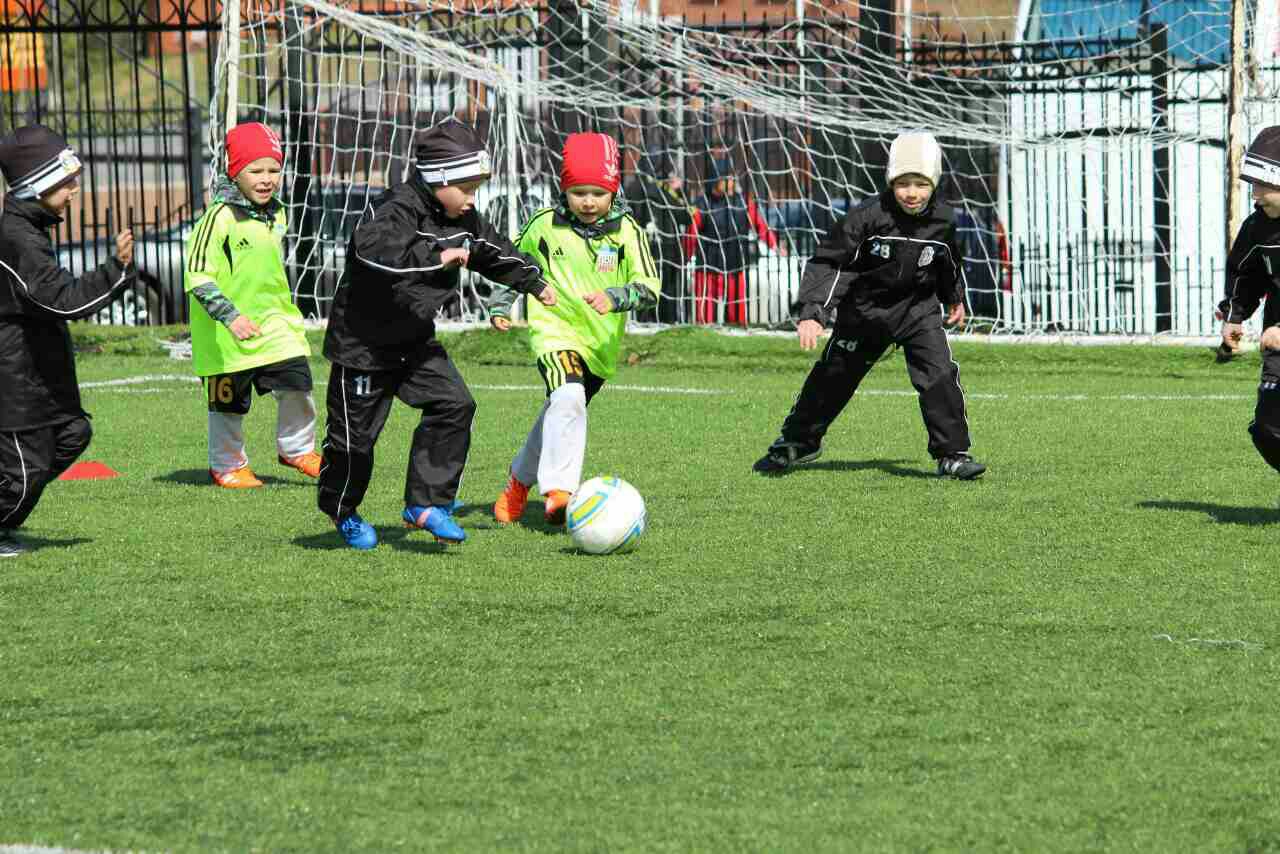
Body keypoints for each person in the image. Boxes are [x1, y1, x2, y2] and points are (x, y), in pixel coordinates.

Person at [318, 117, 556, 550]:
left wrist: (533, 282)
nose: (471, 199)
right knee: (353, 444)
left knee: (455, 405)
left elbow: (492, 250)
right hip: (362, 347)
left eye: (476, 189)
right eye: (466, 188)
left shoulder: (463, 216)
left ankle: (425, 504)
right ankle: (343, 511)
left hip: (413, 342)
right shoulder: (394, 209)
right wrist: (437, 255)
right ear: (439, 178)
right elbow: (375, 253)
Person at [752, 130, 986, 480]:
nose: (911, 192)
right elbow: (831, 263)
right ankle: (799, 442)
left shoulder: (944, 220)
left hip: (917, 311)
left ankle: (952, 455)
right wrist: (814, 312)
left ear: (934, 183)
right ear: (890, 181)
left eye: (920, 184)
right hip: (865, 313)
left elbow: (948, 261)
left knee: (939, 375)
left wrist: (954, 297)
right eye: (903, 183)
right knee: (833, 377)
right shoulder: (866, 217)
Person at [488, 132, 659, 526]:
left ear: (613, 191)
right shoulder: (544, 225)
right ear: (564, 189)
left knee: (561, 409)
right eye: (578, 192)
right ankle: (560, 492)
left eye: (598, 193)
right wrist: (500, 303)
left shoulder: (627, 231)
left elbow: (650, 288)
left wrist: (615, 297)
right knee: (567, 397)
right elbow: (513, 264)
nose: (588, 202)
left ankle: (518, 482)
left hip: (599, 345)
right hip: (554, 330)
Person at [0, 124, 135, 557]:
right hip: (14, 376)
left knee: (72, 432)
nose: (75, 189)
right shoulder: (18, 238)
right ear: (37, 184)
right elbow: (60, 301)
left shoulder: (29, 228)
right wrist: (114, 271)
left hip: (38, 370)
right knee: (24, 470)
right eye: (66, 181)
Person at [185, 122, 321, 490]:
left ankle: (298, 449)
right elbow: (197, 276)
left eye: (273, 170)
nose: (266, 179)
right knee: (228, 404)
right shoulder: (218, 218)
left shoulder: (278, 214)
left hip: (274, 324)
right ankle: (228, 465)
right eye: (255, 171)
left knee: (298, 382)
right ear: (235, 172)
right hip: (225, 337)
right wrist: (231, 317)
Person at [1218, 126, 1280, 478]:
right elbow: (1245, 273)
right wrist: (1234, 316)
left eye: (1261, 185)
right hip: (1277, 346)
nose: (1255, 195)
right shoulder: (1257, 227)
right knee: (1269, 431)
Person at [687, 156, 783, 327]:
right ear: (716, 180)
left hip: (734, 264)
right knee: (704, 318)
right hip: (707, 266)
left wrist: (774, 245)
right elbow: (691, 234)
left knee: (737, 315)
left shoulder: (744, 202)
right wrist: (687, 255)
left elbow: (760, 226)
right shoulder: (701, 204)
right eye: (726, 178)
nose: (731, 182)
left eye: (731, 178)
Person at [623, 145, 695, 323]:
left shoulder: (635, 188)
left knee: (651, 291)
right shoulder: (659, 190)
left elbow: (686, 216)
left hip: (653, 249)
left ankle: (648, 321)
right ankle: (661, 321)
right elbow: (686, 215)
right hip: (660, 248)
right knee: (660, 292)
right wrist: (678, 192)